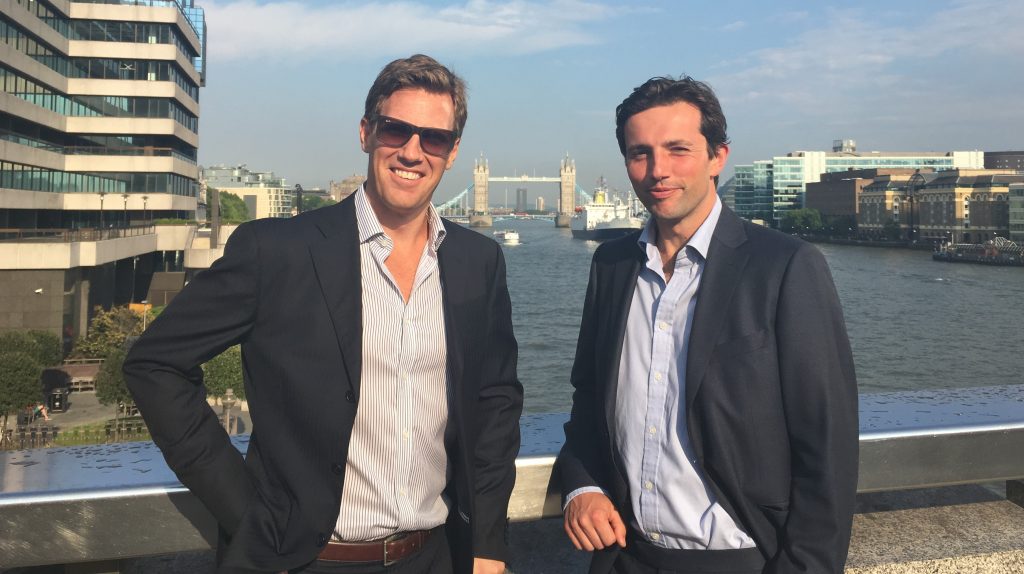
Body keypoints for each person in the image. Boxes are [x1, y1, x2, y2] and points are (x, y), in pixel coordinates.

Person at [124, 54, 522, 574]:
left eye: (434, 138)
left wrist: (487, 545)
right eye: (395, 130)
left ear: (452, 153)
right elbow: (154, 364)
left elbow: (495, 400)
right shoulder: (277, 251)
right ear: (365, 132)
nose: (412, 151)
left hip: (436, 557)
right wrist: (244, 510)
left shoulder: (478, 261)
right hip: (304, 560)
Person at [556, 76, 858, 574]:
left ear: (719, 156)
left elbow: (826, 442)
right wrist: (583, 483)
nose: (658, 171)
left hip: (739, 558)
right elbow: (589, 398)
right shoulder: (611, 266)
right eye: (640, 153)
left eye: (678, 150)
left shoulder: (785, 267)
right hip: (624, 557)